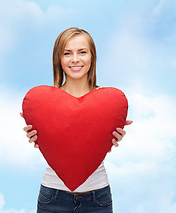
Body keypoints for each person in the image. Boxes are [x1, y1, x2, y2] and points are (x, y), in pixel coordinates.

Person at [20, 27, 133, 213]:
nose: (75, 59)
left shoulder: (108, 102)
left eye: (82, 52)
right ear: (59, 59)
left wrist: (113, 135)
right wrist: (38, 136)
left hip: (98, 198)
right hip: (52, 197)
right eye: (67, 53)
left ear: (92, 57)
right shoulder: (44, 103)